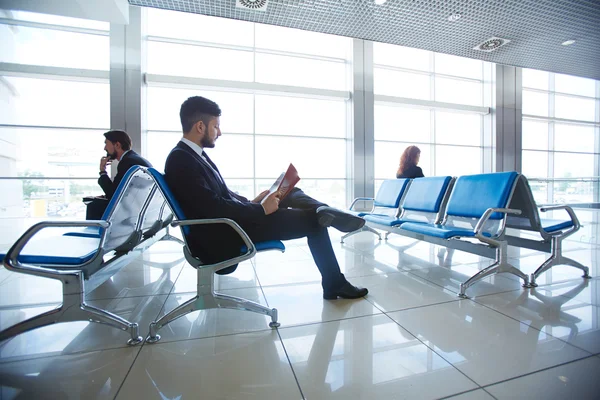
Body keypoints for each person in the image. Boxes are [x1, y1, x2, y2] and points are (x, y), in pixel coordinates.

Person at [164, 96, 369, 300]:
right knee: (314, 223)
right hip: (223, 235)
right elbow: (212, 208)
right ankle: (334, 281)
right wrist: (260, 210)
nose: (219, 132)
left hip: (228, 225)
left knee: (290, 192)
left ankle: (324, 210)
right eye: (216, 126)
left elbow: (219, 196)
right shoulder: (181, 160)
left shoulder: (192, 156)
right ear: (200, 126)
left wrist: (254, 201)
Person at [86, 130, 152, 220]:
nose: (105, 148)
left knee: (93, 204)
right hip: (140, 209)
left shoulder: (127, 162)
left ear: (117, 145)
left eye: (106, 144)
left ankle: (99, 233)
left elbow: (113, 194)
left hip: (131, 214)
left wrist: (102, 171)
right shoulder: (133, 159)